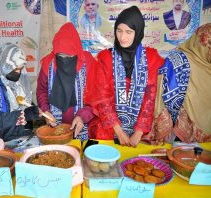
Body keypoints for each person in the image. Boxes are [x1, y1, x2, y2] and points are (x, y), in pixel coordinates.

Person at [84, 6, 165, 147]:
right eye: (119, 31)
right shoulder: (105, 58)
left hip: (142, 125)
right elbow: (103, 99)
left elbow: (150, 99)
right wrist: (119, 132)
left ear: (138, 32)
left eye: (129, 32)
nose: (122, 37)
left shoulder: (151, 59)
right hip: (110, 124)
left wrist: (138, 133)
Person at [149, 23, 211, 144]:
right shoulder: (179, 61)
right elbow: (164, 96)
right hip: (180, 137)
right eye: (209, 48)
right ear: (200, 44)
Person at [36, 22, 95, 141]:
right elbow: (41, 90)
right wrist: (46, 111)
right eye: (60, 56)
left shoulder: (88, 63)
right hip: (55, 128)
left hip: (83, 127)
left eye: (69, 57)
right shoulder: (48, 63)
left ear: (77, 52)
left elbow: (96, 97)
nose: (64, 60)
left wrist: (83, 116)